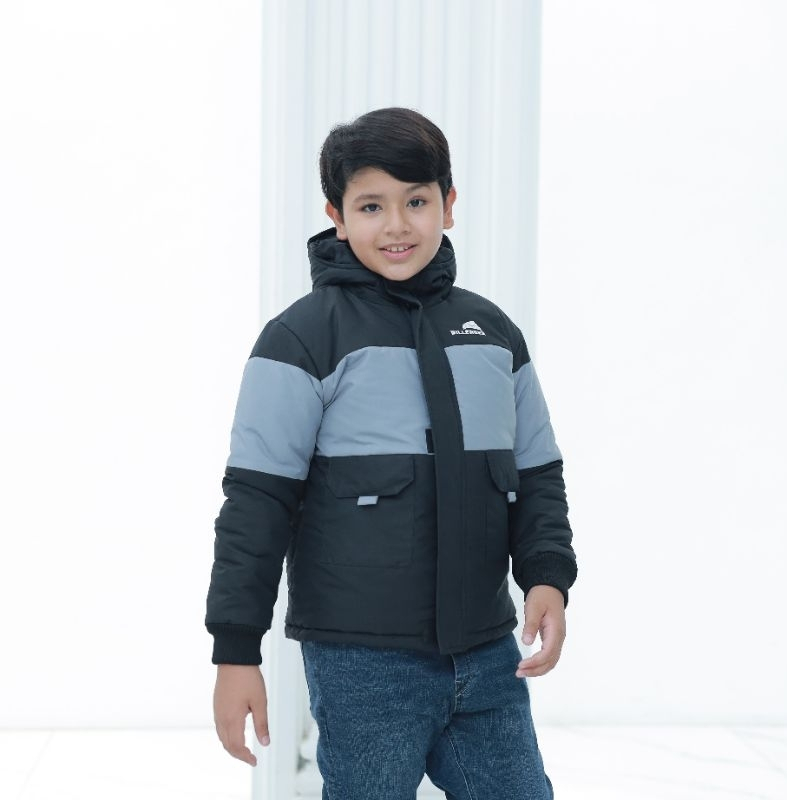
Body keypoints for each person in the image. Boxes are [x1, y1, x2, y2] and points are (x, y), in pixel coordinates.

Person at [206, 107, 577, 799]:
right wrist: (236, 652)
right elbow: (256, 505)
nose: (398, 225)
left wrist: (548, 578)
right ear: (337, 217)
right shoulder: (301, 340)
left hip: (488, 656)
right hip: (363, 667)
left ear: (449, 204)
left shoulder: (494, 336)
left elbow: (536, 475)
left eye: (417, 201)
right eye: (372, 206)